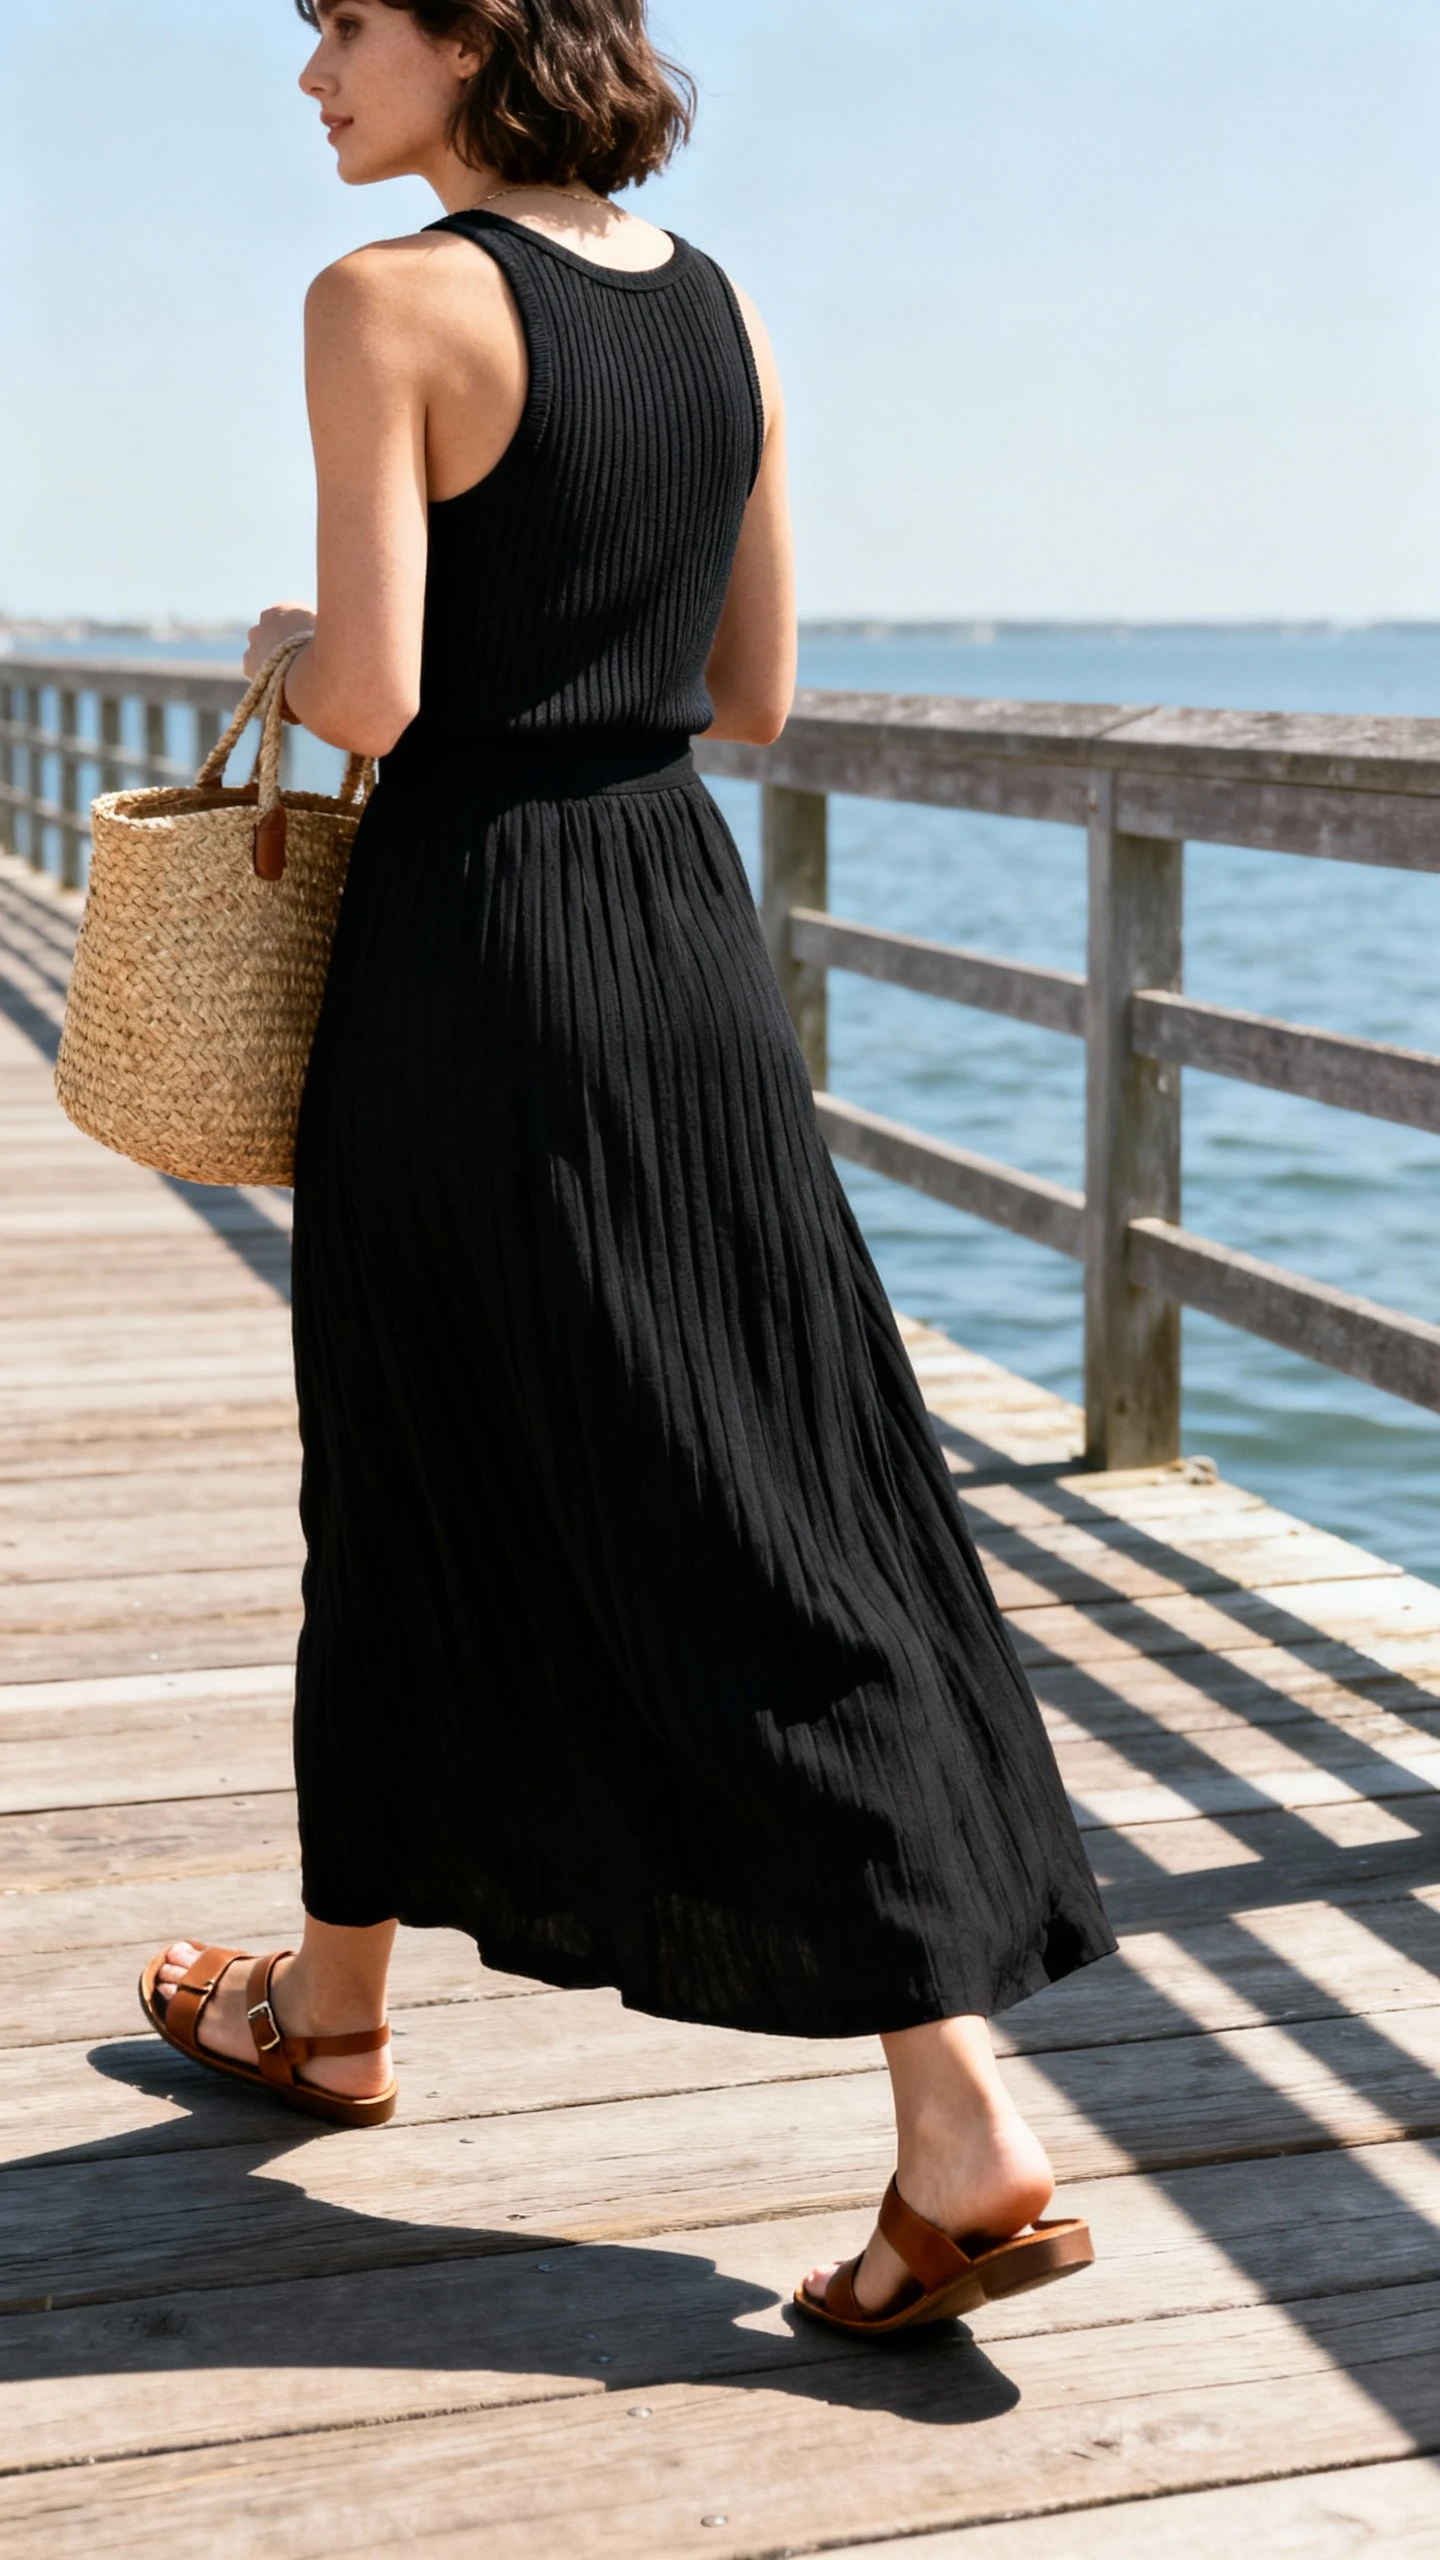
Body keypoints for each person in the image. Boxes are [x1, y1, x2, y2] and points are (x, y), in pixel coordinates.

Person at [141, 0, 1116, 2337]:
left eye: (342, 27)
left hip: (475, 942)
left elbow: (371, 703)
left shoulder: (385, 300)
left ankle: (960, 2112)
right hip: (676, 935)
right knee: (737, 1462)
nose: (309, 81)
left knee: (459, 1461)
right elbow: (751, 689)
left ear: (476, 36)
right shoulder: (727, 301)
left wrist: (295, 635)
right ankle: (336, 2000)